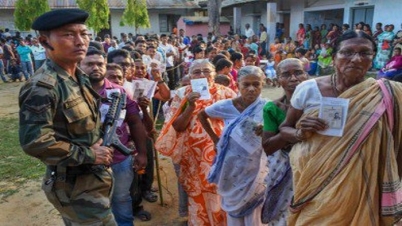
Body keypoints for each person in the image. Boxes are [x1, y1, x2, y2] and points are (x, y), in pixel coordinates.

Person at [279, 30, 402, 225]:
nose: (355, 59)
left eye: (364, 53)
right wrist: (300, 133)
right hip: (314, 178)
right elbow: (285, 129)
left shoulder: (386, 93)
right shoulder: (308, 89)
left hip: (363, 183)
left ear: (373, 58)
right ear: (334, 56)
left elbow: (395, 141)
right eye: (347, 52)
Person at [19, 9, 123, 225]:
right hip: (75, 186)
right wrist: (89, 155)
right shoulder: (43, 87)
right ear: (45, 42)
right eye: (68, 35)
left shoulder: (78, 76)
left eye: (84, 34)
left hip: (93, 180)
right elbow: (35, 142)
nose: (80, 41)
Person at [155, 59, 237, 226]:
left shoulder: (227, 94)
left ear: (214, 74)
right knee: (198, 194)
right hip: (192, 156)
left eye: (206, 71)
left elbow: (238, 124)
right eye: (197, 72)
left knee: (221, 192)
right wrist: (190, 106)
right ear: (190, 76)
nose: (202, 75)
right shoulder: (181, 94)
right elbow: (177, 126)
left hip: (221, 154)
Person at [80, 48, 148, 226]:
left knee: (121, 198)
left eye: (99, 64)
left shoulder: (119, 92)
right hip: (85, 162)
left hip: (119, 159)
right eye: (89, 64)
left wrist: (142, 153)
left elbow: (134, 122)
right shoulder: (73, 93)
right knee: (92, 203)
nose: (96, 67)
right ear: (79, 66)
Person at [198, 66, 268, 226]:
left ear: (262, 84)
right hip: (231, 166)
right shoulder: (226, 106)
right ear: (238, 85)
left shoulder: (267, 107)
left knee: (254, 207)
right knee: (234, 208)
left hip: (256, 165)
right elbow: (202, 115)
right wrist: (215, 140)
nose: (251, 89)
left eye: (256, 84)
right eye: (246, 84)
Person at [260, 58, 308, 226]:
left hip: (314, 168)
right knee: (283, 216)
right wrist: (290, 131)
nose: (293, 78)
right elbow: (268, 147)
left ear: (306, 75)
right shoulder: (273, 108)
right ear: (278, 80)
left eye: (298, 73)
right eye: (286, 75)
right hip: (283, 167)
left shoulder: (320, 105)